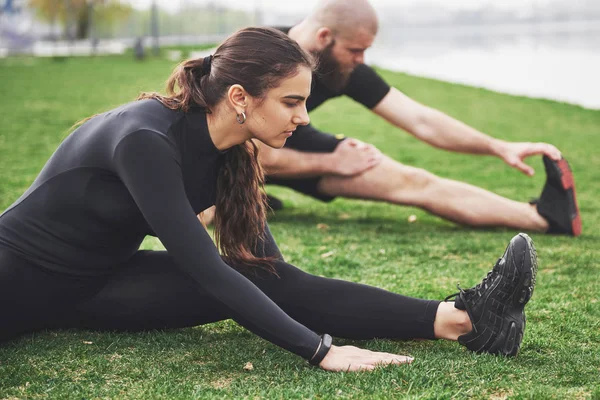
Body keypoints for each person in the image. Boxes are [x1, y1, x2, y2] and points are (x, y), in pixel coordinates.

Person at [0, 27, 538, 371]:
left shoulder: (232, 152)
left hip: (95, 286)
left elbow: (270, 275)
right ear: (240, 98)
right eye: (291, 102)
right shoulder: (147, 139)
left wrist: (318, 327)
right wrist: (321, 350)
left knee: (262, 275)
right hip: (14, 278)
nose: (303, 118)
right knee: (231, 278)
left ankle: (464, 320)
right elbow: (207, 270)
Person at [233, 0, 580, 237]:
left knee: (414, 181)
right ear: (324, 37)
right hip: (228, 157)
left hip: (291, 147)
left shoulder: (345, 67)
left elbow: (421, 120)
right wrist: (331, 162)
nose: (361, 60)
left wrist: (498, 147)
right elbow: (248, 152)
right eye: (356, 50)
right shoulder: (259, 55)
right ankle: (233, 200)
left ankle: (544, 218)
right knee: (207, 200)